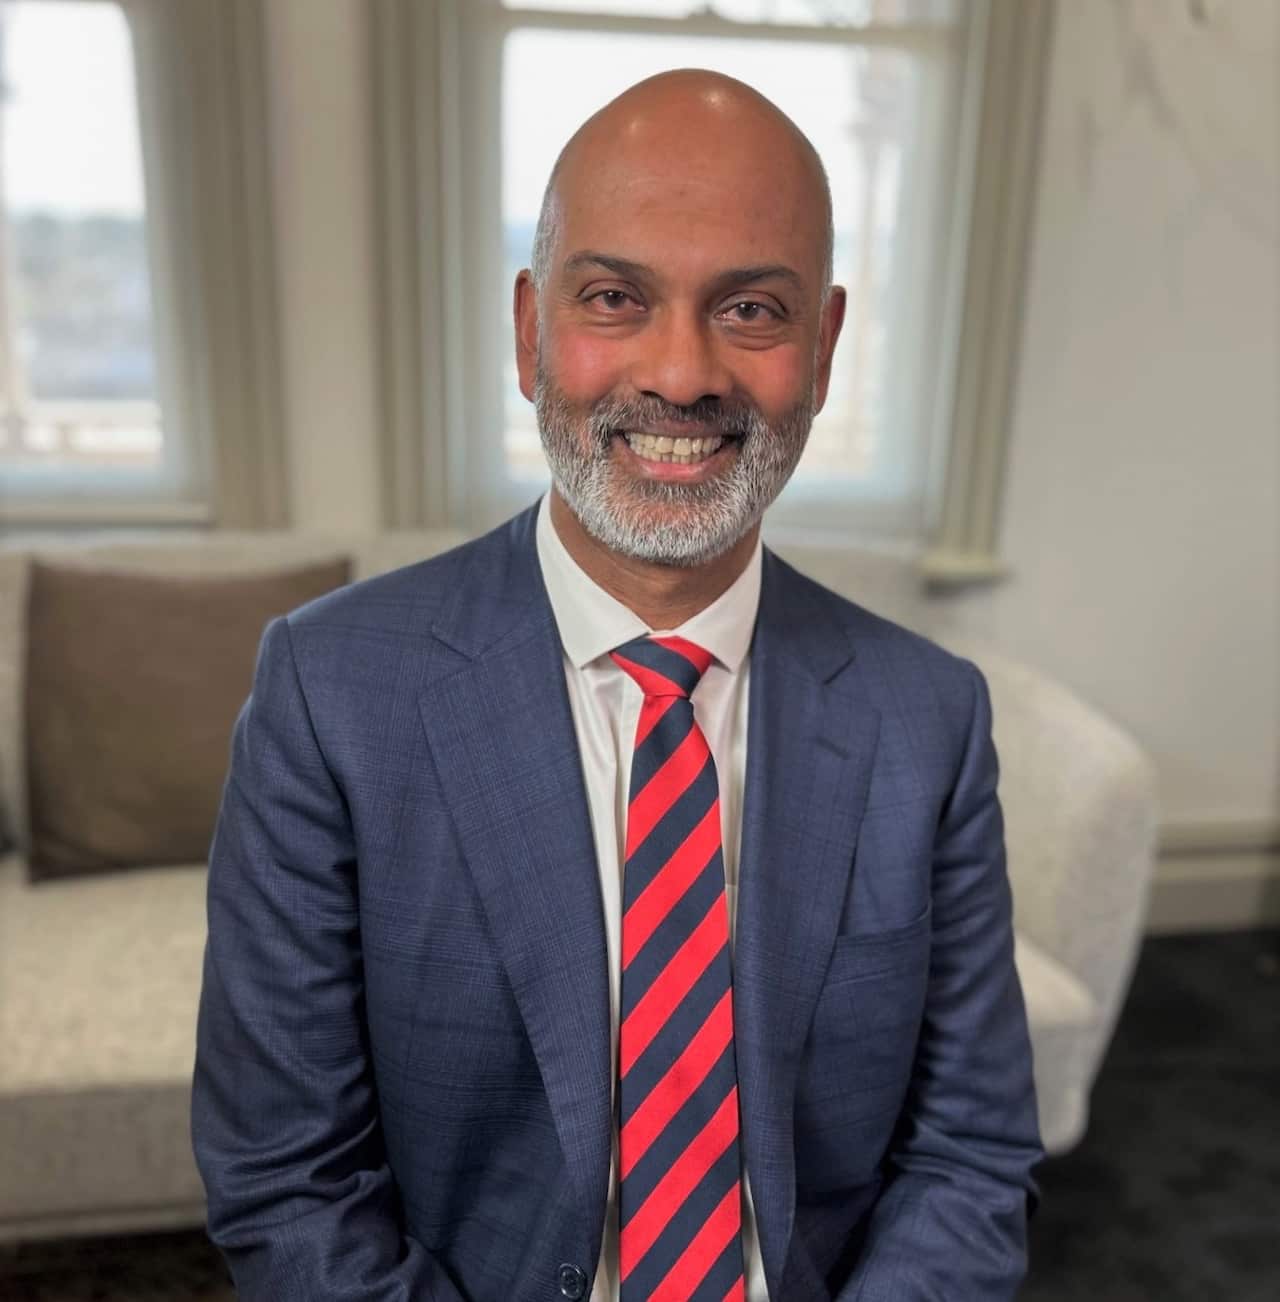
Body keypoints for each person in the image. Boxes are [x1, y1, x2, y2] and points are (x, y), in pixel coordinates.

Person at [192, 69, 1041, 1302]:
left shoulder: (930, 718)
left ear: (822, 343)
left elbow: (966, 1156)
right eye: (614, 298)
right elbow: (287, 1184)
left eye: (749, 308)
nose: (683, 375)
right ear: (531, 330)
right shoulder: (330, 694)